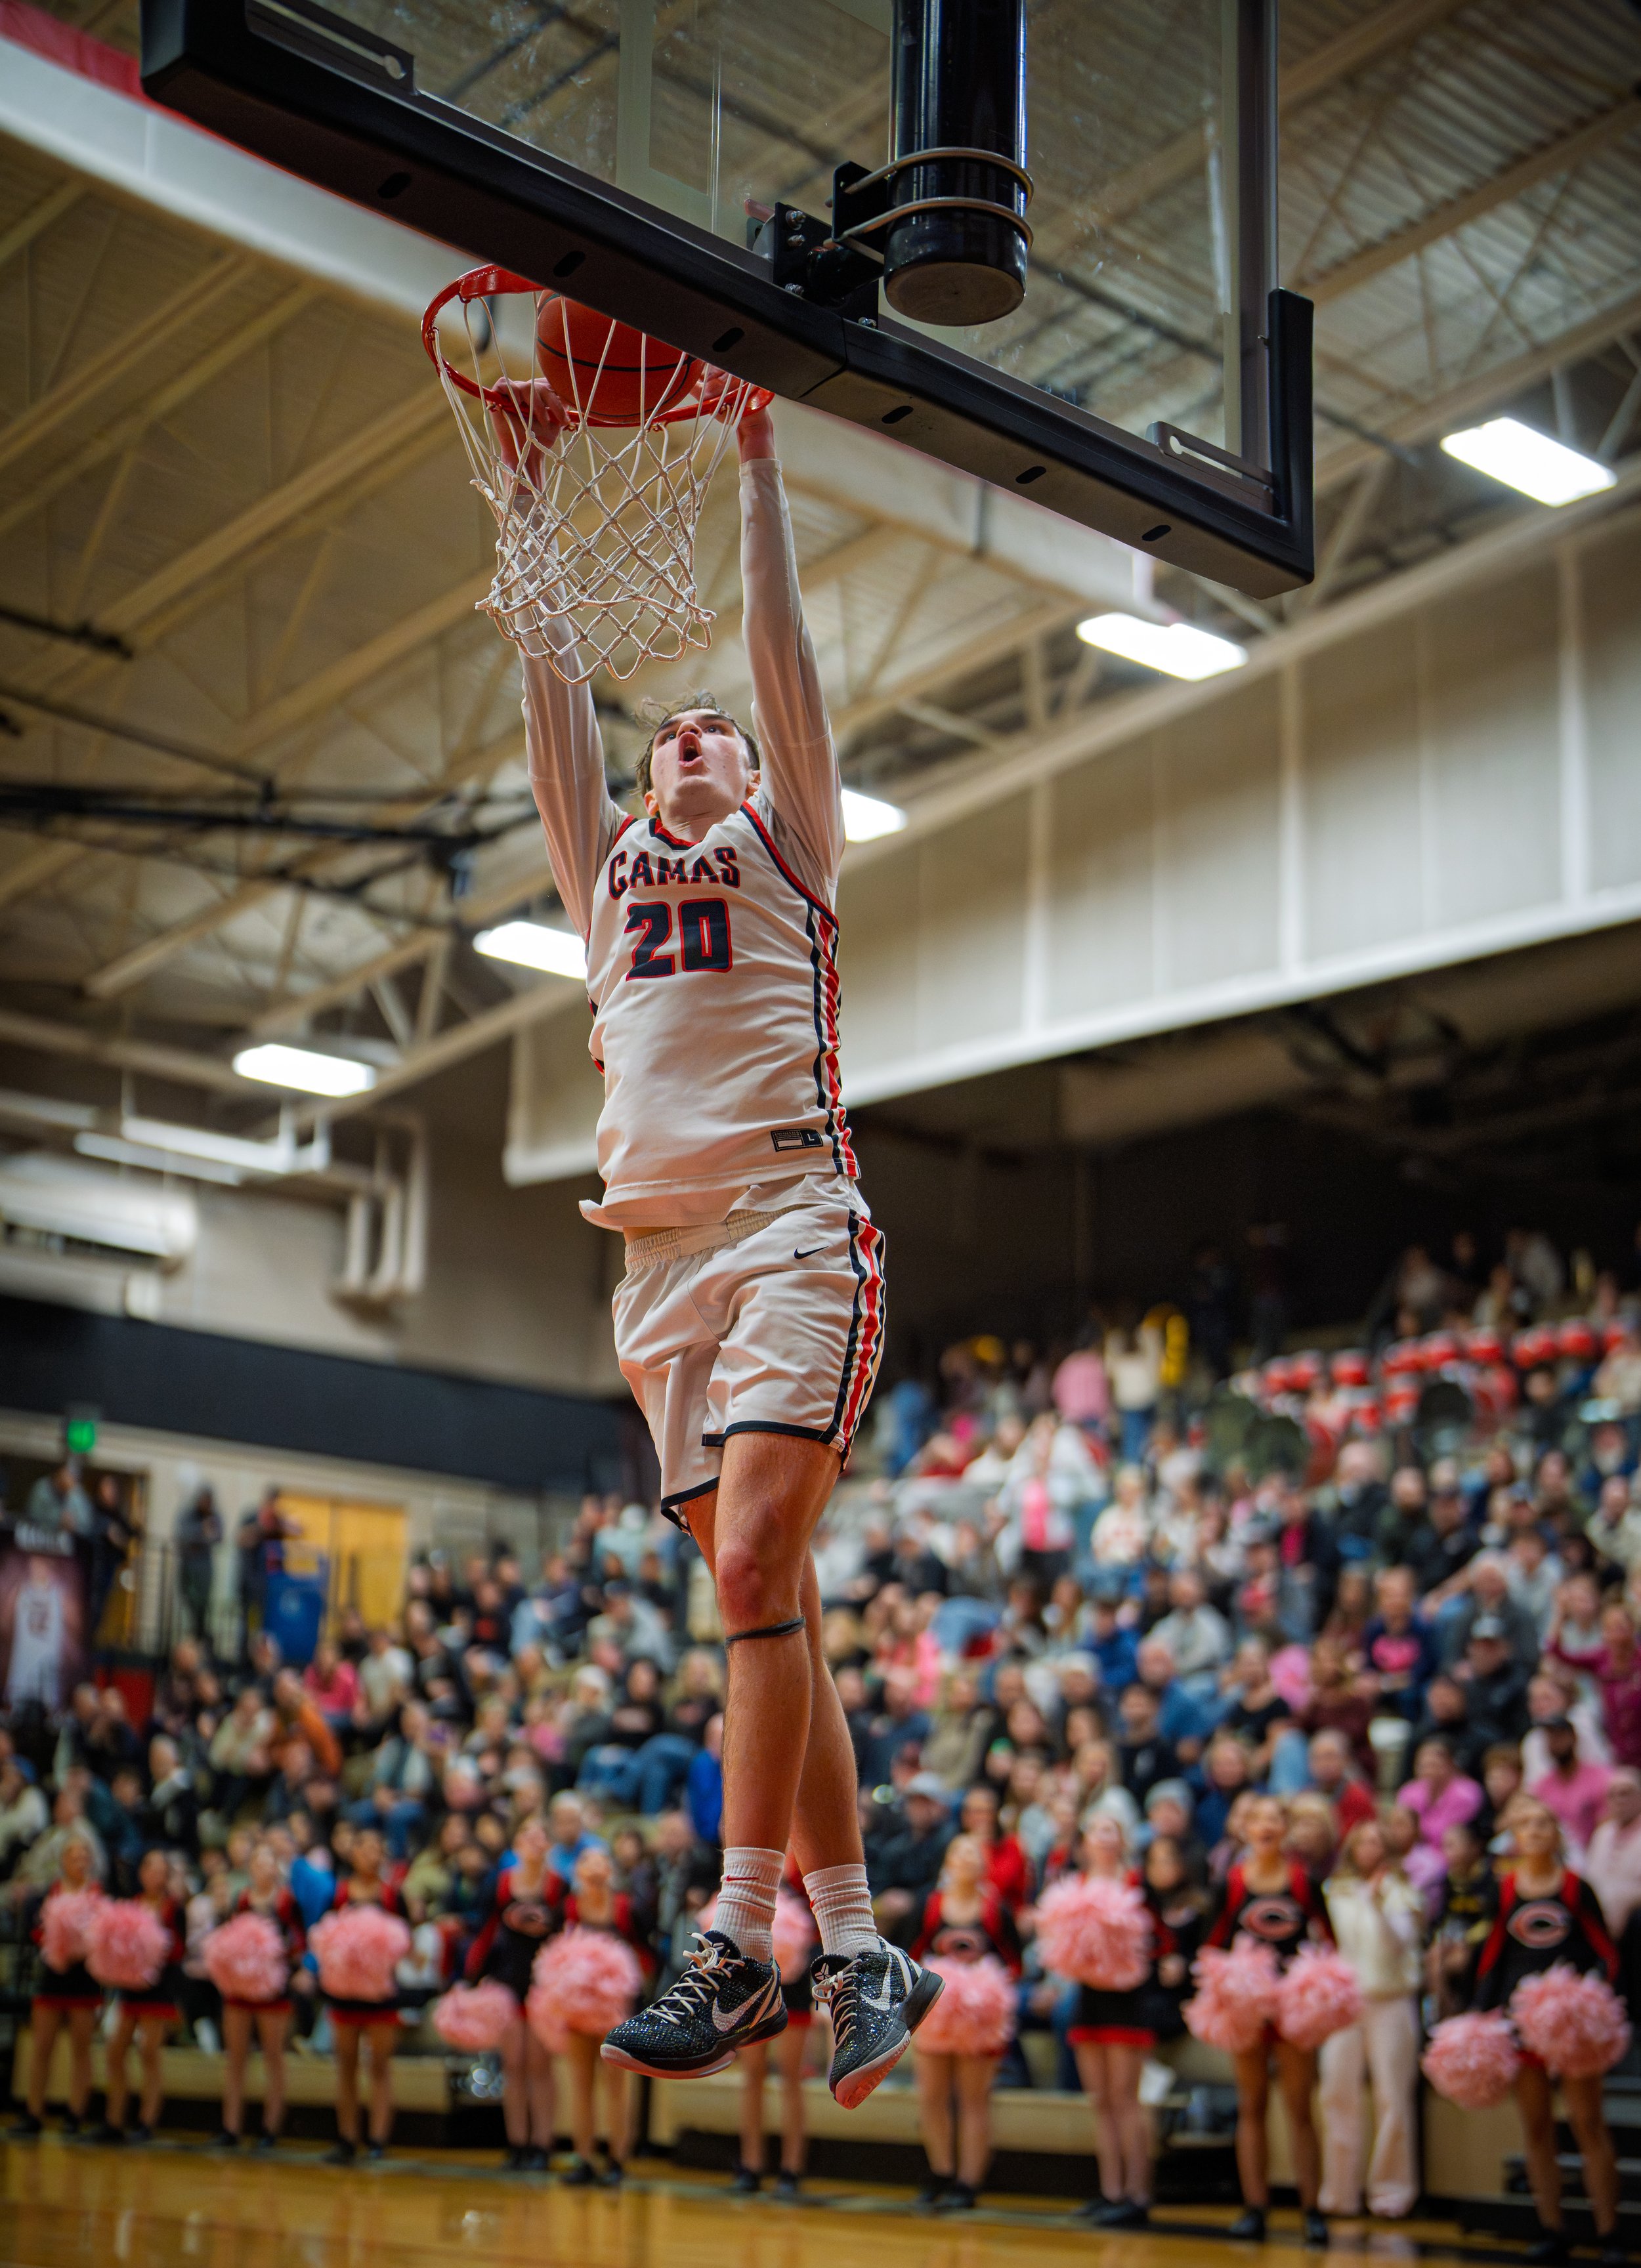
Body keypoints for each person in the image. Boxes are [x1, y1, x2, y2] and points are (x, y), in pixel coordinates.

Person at [513, 397, 932, 2103]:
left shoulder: (788, 843)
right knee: (774, 1612)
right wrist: (529, 500)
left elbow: (778, 663)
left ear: (754, 778)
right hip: (654, 1272)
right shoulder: (600, 871)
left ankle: (734, 1939)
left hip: (789, 1226)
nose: (690, 735)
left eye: (714, 734)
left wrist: (756, 464)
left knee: (758, 1576)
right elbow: (548, 706)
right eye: (668, 733)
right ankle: (854, 1944)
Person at [1472, 1797, 1623, 2265]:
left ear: (1556, 1835)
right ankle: (1552, 2228)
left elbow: (1608, 1954)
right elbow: (1493, 1961)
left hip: (1572, 2028)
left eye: (1543, 1824)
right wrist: (1481, 2017)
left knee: (1587, 2123)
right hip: (1523, 2027)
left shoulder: (1576, 1889)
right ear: (1514, 1838)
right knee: (1536, 2127)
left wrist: (1591, 2002)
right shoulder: (1505, 1890)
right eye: (1526, 1825)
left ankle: (1609, 2233)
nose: (1535, 1832)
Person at [1204, 1793, 1331, 2246]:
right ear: (1245, 1829)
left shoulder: (1303, 1883)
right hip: (1250, 2013)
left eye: (1275, 1818)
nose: (1266, 1825)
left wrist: (1313, 1991)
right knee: (1251, 2105)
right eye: (1257, 1819)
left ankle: (1312, 2210)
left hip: (1293, 2013)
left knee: (1300, 2110)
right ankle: (1254, 2207)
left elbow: (1329, 1947)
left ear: (1287, 1827)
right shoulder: (1233, 1884)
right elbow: (1213, 1947)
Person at [1317, 1817, 1424, 2220]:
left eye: (1378, 1841)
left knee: (1392, 2096)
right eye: (1362, 1841)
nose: (1370, 1849)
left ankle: (1391, 2193)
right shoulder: (1334, 1891)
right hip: (1345, 2006)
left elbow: (1399, 1947)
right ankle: (1340, 2193)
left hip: (1391, 2001)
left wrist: (1377, 1905)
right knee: (1336, 2094)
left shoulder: (1403, 1892)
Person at [910, 1830, 1022, 2212]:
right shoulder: (930, 1905)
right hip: (937, 2017)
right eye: (960, 1853)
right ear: (948, 1863)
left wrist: (983, 1991)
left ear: (984, 1865)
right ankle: (940, 2172)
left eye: (975, 1854)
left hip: (979, 2019)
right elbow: (910, 1956)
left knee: (975, 2101)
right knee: (932, 2097)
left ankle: (969, 2182)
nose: (967, 1860)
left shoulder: (995, 1909)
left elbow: (1014, 1964)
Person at [1065, 1813, 1157, 2229]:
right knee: (1101, 2100)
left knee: (1126, 2099)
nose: (1102, 1839)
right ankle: (1111, 2191)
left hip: (1128, 2003)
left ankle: (1139, 2195)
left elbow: (1158, 1942)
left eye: (1110, 1831)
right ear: (1084, 1843)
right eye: (1095, 1831)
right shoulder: (1074, 1888)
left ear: (1122, 1841)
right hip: (1089, 1999)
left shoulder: (1139, 1885)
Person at [465, 1816, 565, 2170]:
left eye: (542, 1834)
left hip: (543, 1984)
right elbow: (484, 1931)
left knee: (540, 2067)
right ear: (517, 1843)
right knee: (513, 2064)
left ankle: (542, 2144)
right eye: (527, 1832)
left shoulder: (558, 1886)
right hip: (508, 1980)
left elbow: (568, 1936)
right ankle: (517, 2144)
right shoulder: (502, 1882)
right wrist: (471, 1976)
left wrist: (546, 1925)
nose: (535, 1839)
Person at [559, 1846, 647, 2186]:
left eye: (601, 1861)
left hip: (615, 2011)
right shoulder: (568, 1907)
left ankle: (617, 2160)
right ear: (578, 1871)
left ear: (610, 1869)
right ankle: (584, 2158)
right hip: (578, 2010)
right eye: (586, 1861)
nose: (595, 1867)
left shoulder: (626, 1907)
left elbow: (645, 1954)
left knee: (616, 2087)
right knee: (580, 2085)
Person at [11, 1832, 102, 2137]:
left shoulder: (98, 1896)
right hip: (52, 1978)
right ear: (62, 1861)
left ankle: (75, 2115)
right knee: (41, 2048)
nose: (79, 1861)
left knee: (81, 2050)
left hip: (85, 1981)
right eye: (73, 1856)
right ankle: (33, 2113)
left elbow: (106, 1938)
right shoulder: (48, 1895)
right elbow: (38, 1934)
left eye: (84, 1856)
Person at [321, 1827, 403, 2165]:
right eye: (364, 1848)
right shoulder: (339, 1893)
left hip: (381, 1991)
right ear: (353, 1854)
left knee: (380, 2066)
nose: (371, 1854)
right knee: (347, 2066)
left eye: (377, 1848)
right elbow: (325, 1937)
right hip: (345, 1993)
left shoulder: (391, 1895)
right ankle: (346, 2138)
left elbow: (403, 1939)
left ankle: (379, 2139)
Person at [217, 1839, 305, 2149]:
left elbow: (299, 1945)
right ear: (250, 1867)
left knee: (273, 2059)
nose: (262, 1867)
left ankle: (271, 2128)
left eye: (269, 1861)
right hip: (240, 1991)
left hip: (274, 1992)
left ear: (276, 1867)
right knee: (236, 2059)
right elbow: (226, 1939)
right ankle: (231, 2127)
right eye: (257, 1862)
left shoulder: (286, 1902)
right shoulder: (241, 1899)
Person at [733, 1885, 820, 2198]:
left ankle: (791, 2168)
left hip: (794, 1984)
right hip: (752, 1984)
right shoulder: (748, 1871)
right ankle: (750, 2164)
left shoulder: (805, 1877)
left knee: (791, 2076)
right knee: (753, 2075)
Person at [93, 1845, 184, 2143]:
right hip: (131, 1989)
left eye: (162, 1871)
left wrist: (156, 1950)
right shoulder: (131, 1904)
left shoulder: (174, 1908)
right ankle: (114, 2119)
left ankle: (147, 2122)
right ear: (142, 1873)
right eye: (150, 1869)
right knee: (116, 2050)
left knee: (149, 2052)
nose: (155, 1876)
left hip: (159, 1990)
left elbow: (179, 1951)